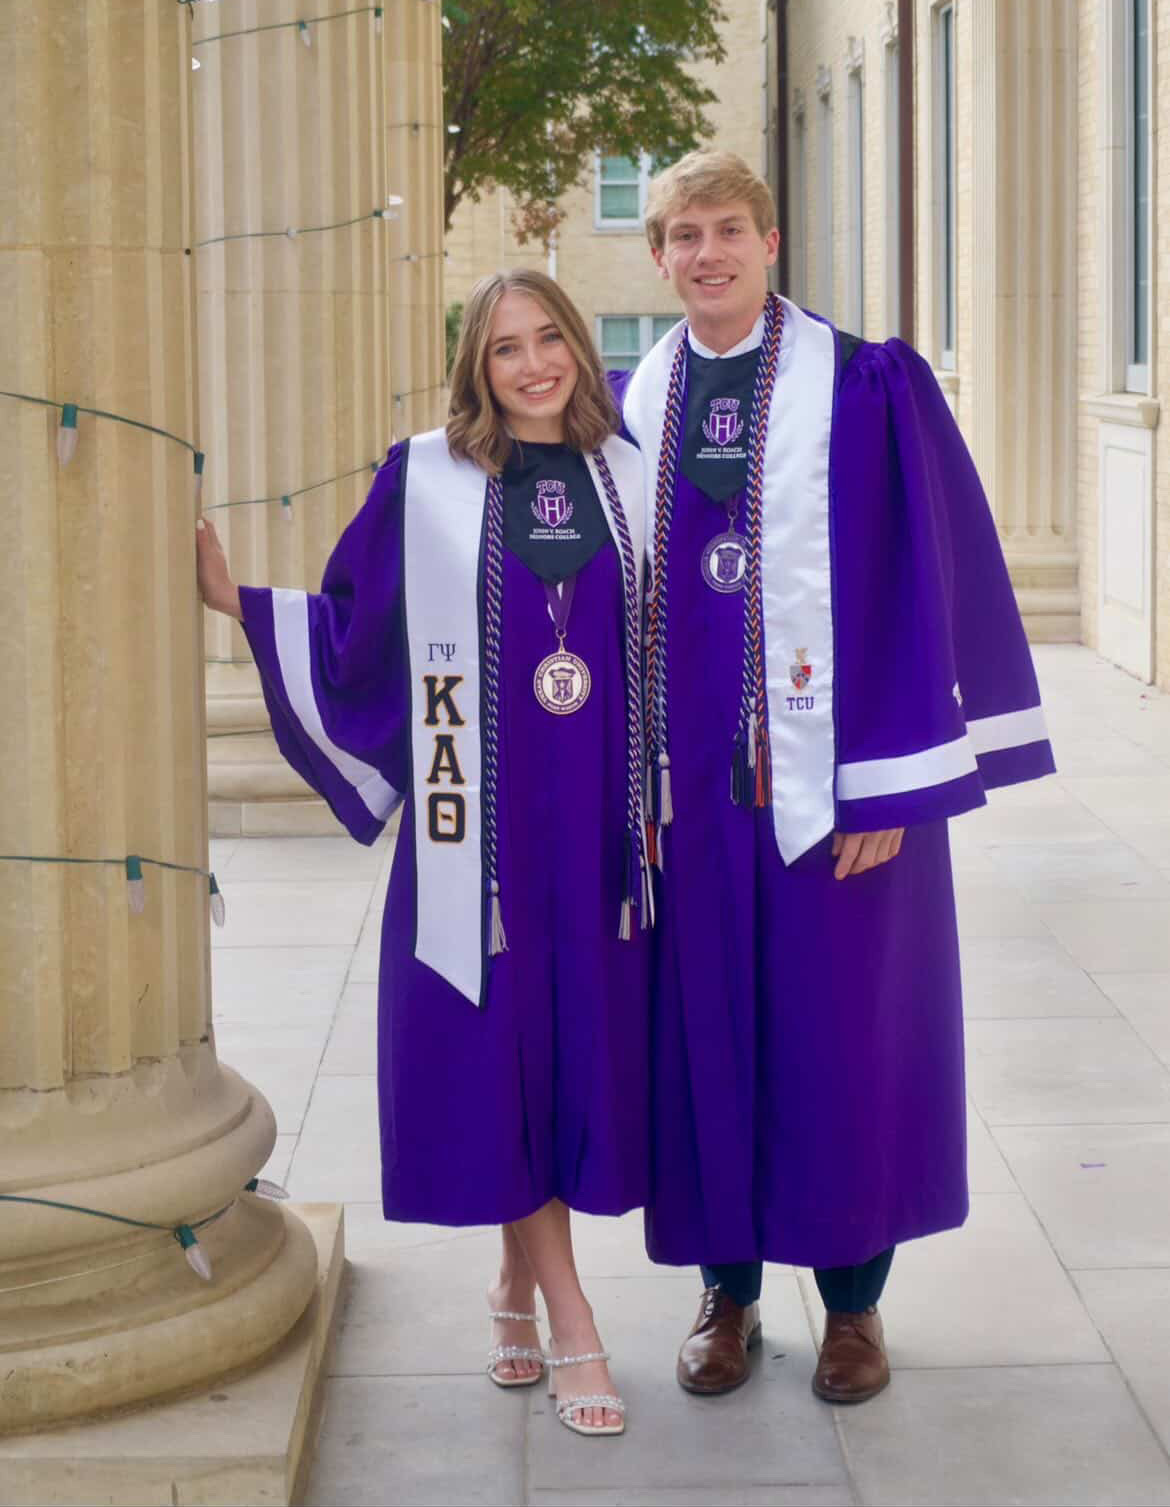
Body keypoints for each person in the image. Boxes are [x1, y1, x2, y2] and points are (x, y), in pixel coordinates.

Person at [620, 151, 1055, 1405]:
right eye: (684, 234)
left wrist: (889, 789)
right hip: (692, 802)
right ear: (660, 256)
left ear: (770, 243)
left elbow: (926, 579)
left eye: (729, 230)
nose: (707, 253)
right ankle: (728, 1294)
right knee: (705, 1034)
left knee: (842, 1038)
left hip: (840, 792)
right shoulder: (631, 404)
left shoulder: (868, 385)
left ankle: (855, 1307)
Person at [196, 270, 652, 1437]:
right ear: (476, 368)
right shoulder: (430, 477)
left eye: (549, 338)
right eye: (506, 348)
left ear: (579, 346)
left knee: (562, 1059)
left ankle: (511, 1284)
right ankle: (572, 1317)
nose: (534, 364)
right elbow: (359, 630)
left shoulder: (631, 472)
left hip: (599, 830)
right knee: (502, 1046)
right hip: (481, 841)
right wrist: (249, 608)